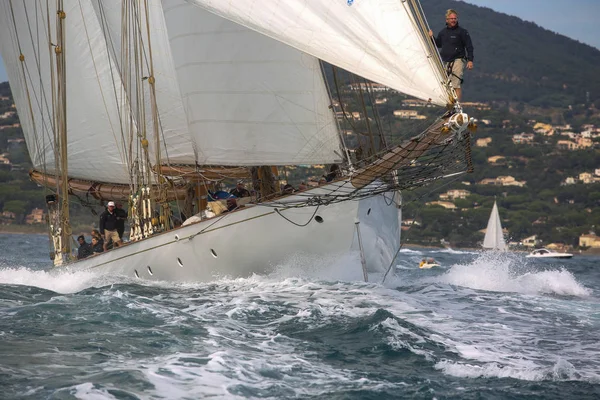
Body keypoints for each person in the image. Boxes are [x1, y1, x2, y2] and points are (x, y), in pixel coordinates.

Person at [429, 9, 474, 102]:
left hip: (458, 60)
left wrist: (470, 60)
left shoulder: (462, 32)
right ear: (447, 20)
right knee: (446, 85)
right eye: (451, 18)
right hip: (446, 61)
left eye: (455, 18)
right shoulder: (443, 32)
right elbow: (438, 44)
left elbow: (469, 46)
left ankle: (456, 106)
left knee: (455, 83)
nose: (453, 20)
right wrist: (431, 37)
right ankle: (450, 106)